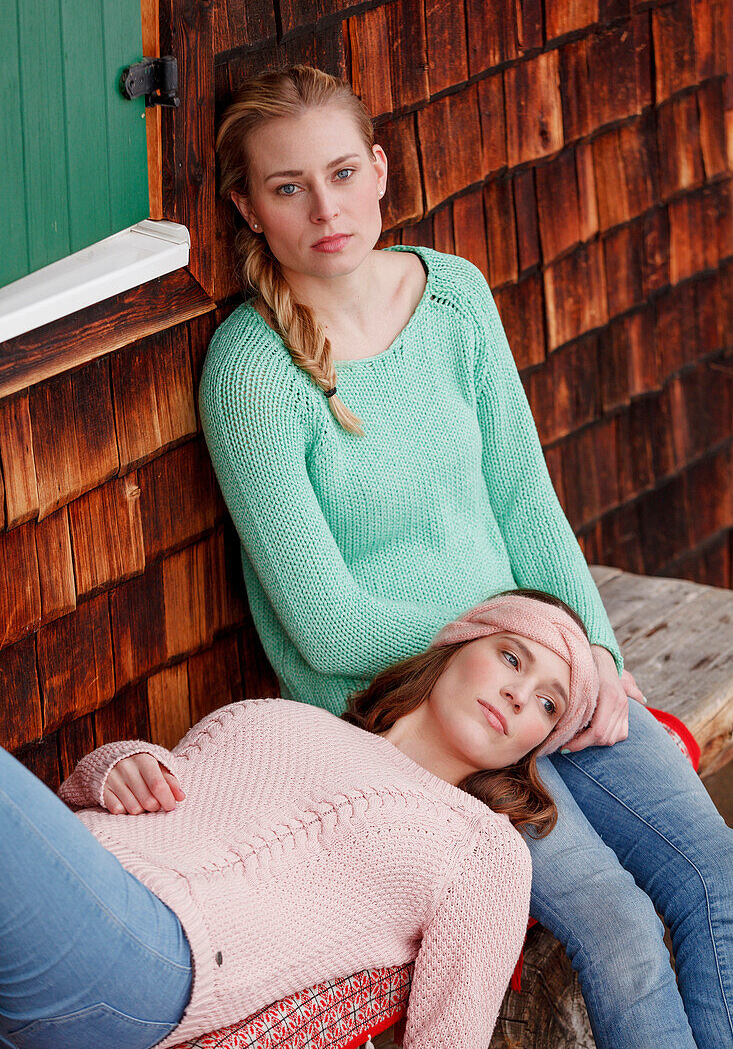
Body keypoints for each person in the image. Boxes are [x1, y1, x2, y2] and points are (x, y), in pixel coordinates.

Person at [201, 64, 733, 1049]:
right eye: (287, 187)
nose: (325, 207)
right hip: (410, 717)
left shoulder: (452, 297)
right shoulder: (252, 370)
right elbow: (328, 622)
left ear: (379, 169)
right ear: (248, 206)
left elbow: (524, 500)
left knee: (717, 875)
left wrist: (595, 661)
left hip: (537, 672)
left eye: (341, 171)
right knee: (616, 929)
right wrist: (526, 643)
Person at [0, 592, 596, 1049]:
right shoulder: (271, 716)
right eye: (511, 658)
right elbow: (107, 802)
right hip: (78, 896)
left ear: (535, 743)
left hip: (157, 958)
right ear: (457, 646)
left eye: (549, 703)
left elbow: (450, 1038)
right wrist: (119, 767)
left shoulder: (484, 848)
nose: (521, 695)